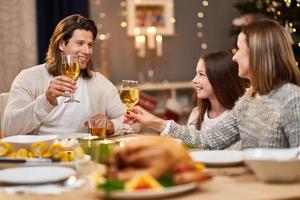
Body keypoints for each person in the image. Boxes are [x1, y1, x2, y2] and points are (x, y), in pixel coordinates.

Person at [128, 19, 300, 149]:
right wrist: (154, 122)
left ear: (258, 54)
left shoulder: (291, 99)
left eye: (239, 49)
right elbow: (208, 140)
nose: (234, 57)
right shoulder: (248, 98)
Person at [3, 14, 125, 137]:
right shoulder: (29, 78)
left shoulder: (99, 82)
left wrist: (111, 125)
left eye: (89, 45)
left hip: (84, 153)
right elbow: (9, 129)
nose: (87, 51)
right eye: (80, 43)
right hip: (45, 152)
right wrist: (47, 100)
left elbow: (132, 121)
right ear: (62, 45)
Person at [126, 50, 246, 149]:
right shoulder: (196, 115)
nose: (194, 80)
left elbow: (209, 143)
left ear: (220, 78)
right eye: (196, 73)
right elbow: (186, 145)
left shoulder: (240, 117)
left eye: (201, 74)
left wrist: (154, 121)